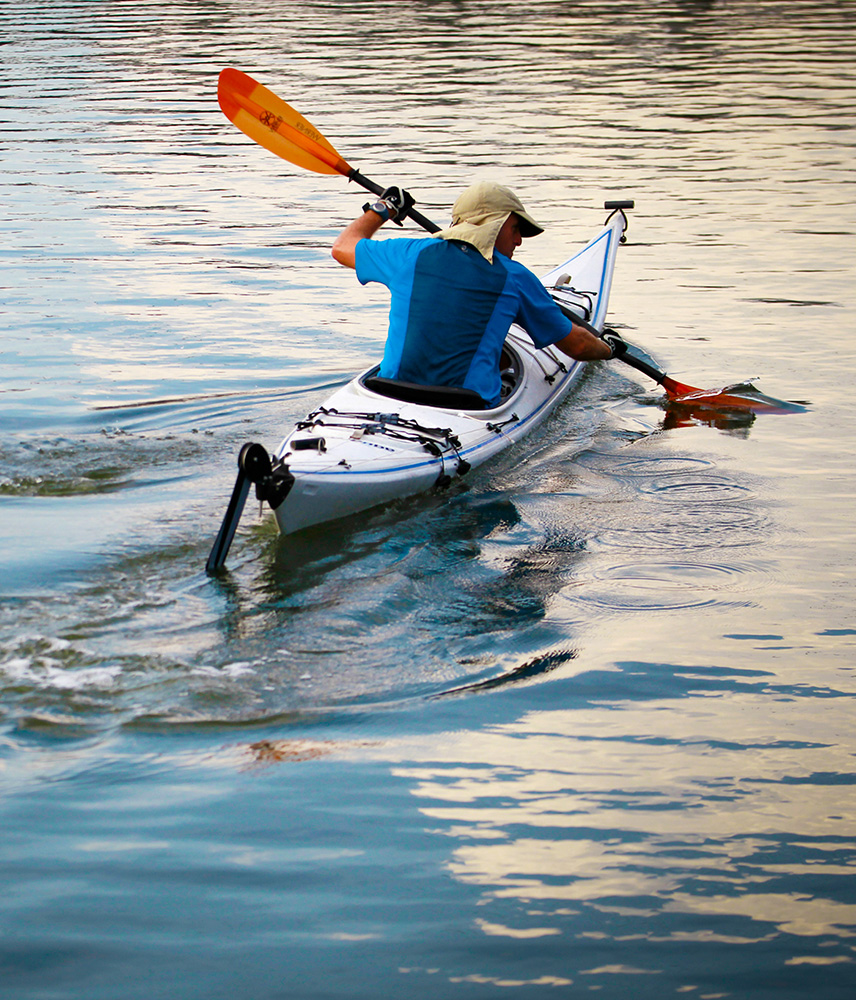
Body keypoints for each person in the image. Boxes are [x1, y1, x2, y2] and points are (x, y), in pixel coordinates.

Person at [331, 179, 623, 408]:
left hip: (390, 392)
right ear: (493, 227)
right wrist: (609, 349)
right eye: (516, 228)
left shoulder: (407, 253)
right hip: (467, 404)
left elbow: (342, 247)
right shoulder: (515, 276)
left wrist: (385, 208)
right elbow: (579, 347)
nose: (519, 241)